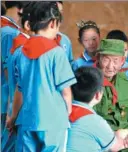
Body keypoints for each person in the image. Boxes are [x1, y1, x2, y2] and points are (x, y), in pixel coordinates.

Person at [6, 2, 77, 151]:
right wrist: (68, 112)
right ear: (52, 23)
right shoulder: (56, 52)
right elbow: (65, 91)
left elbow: (19, 91)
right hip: (53, 121)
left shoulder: (19, 52)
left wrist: (13, 117)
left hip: (26, 120)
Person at [67, 66, 128, 152]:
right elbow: (114, 147)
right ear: (98, 95)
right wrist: (119, 134)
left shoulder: (62, 111)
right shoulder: (95, 121)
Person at [1, 1, 24, 135]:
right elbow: (8, 70)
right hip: (5, 101)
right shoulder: (10, 32)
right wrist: (12, 108)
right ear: (20, 9)